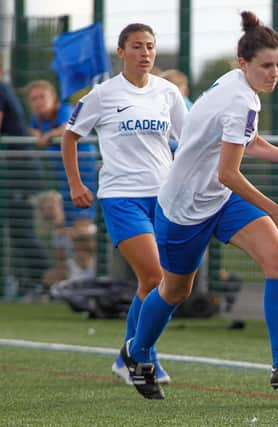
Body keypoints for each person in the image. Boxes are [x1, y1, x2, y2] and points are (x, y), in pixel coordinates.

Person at [119, 11, 278, 400]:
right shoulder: (240, 98)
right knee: (175, 291)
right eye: (266, 65)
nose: (274, 72)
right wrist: (276, 210)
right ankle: (137, 352)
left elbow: (253, 144)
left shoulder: (239, 87)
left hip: (221, 200)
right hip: (184, 207)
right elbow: (229, 172)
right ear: (243, 63)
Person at [61, 23, 188, 387]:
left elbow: (190, 138)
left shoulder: (167, 92)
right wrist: (75, 183)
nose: (145, 53)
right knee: (154, 278)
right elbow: (70, 136)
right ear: (121, 52)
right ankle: (142, 355)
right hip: (121, 197)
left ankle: (127, 356)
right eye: (136, 46)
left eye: (150, 46)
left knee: (157, 284)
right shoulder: (103, 94)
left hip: (165, 198)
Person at [0, 57, 48, 291]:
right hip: (13, 171)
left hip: (20, 172)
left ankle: (45, 280)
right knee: (16, 231)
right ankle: (30, 282)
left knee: (23, 231)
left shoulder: (1, 87)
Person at [27, 80, 98, 229]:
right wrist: (35, 133)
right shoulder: (38, 120)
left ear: (53, 97)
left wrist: (49, 135)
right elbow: (30, 130)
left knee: (82, 225)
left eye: (42, 96)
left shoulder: (66, 110)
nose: (39, 102)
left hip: (83, 172)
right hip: (63, 179)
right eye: (34, 99)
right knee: (62, 227)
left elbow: (69, 127)